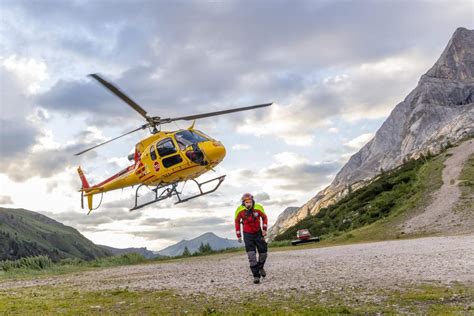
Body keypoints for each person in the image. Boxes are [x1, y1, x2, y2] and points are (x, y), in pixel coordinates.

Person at [234, 193, 268, 284]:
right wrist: (239, 235)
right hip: (247, 235)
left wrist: (264, 229)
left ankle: (260, 267)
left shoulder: (258, 207)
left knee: (263, 253)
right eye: (246, 202)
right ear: (243, 203)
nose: (248, 204)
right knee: (251, 256)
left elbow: (264, 217)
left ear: (253, 201)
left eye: (250, 202)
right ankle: (256, 276)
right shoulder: (239, 210)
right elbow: (237, 222)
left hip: (258, 233)